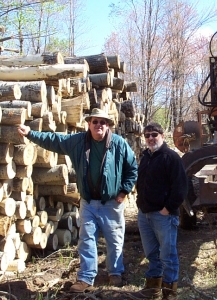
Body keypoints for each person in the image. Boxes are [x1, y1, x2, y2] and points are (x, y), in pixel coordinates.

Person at [17, 108, 138, 293]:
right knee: (86, 239)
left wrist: (123, 191)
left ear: (108, 126)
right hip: (88, 202)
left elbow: (132, 168)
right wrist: (30, 134)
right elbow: (55, 141)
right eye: (95, 121)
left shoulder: (119, 144)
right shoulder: (78, 141)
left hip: (111, 203)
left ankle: (115, 272)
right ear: (89, 124)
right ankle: (85, 278)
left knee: (114, 240)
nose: (99, 125)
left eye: (103, 122)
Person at [132, 123, 188, 300]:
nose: (150, 138)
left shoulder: (171, 157)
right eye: (147, 135)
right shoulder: (146, 157)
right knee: (151, 254)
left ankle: (169, 294)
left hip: (163, 216)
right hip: (145, 214)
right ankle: (152, 290)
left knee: (168, 255)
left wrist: (168, 209)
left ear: (162, 136)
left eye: (154, 134)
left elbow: (180, 188)